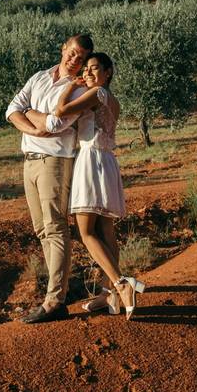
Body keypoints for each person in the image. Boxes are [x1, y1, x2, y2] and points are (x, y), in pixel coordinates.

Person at [29, 53, 144, 320]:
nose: (89, 74)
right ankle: (108, 295)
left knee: (86, 232)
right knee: (106, 230)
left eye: (94, 69)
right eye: (87, 69)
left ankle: (121, 284)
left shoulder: (97, 95)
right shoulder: (112, 100)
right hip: (107, 161)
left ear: (108, 72)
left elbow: (60, 111)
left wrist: (70, 86)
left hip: (91, 161)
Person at [5, 34, 93, 324]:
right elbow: (11, 109)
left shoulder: (79, 89)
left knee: (55, 228)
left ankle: (55, 300)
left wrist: (28, 114)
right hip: (30, 160)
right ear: (63, 49)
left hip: (55, 162)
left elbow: (55, 125)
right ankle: (55, 297)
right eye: (72, 53)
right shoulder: (40, 76)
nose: (74, 60)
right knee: (41, 229)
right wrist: (32, 124)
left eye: (80, 57)